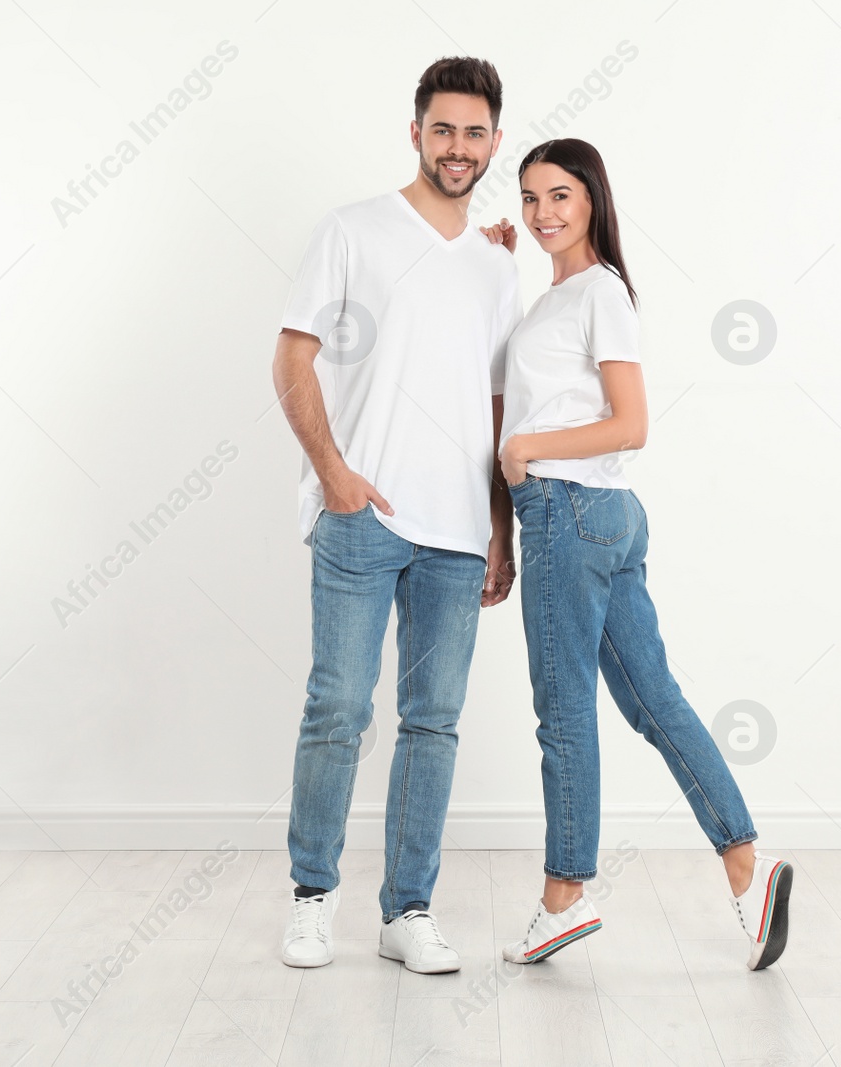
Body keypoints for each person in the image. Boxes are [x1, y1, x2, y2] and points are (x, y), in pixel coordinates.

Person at [482, 138, 793, 971]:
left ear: (592, 199)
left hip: (570, 509)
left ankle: (564, 896)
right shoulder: (553, 298)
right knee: (652, 700)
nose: (545, 212)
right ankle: (746, 870)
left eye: (561, 195)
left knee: (565, 709)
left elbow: (631, 424)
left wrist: (525, 451)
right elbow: (540, 382)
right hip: (595, 518)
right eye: (532, 197)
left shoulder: (602, 294)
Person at [271, 56, 521, 974]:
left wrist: (503, 523)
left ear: (495, 141)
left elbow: (498, 404)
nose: (459, 147)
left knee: (434, 721)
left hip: (458, 531)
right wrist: (333, 471)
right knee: (338, 706)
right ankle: (312, 897)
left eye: (476, 132)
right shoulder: (352, 231)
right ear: (415, 131)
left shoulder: (498, 263)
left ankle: (406, 909)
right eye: (444, 129)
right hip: (361, 514)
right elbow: (292, 359)